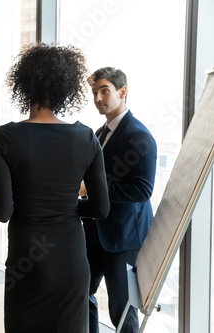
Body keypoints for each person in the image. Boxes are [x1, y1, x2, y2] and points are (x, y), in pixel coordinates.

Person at [0, 43, 110, 332]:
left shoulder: (3, 138)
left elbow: (4, 211)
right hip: (71, 260)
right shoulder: (85, 138)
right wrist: (67, 205)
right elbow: (101, 208)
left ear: (24, 85)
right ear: (65, 88)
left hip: (26, 260)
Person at [82, 67, 157, 333]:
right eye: (94, 92)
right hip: (94, 231)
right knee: (81, 294)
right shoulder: (99, 133)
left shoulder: (139, 135)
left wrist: (91, 190)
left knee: (122, 310)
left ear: (122, 92)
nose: (98, 98)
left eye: (104, 90)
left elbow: (141, 190)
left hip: (123, 237)